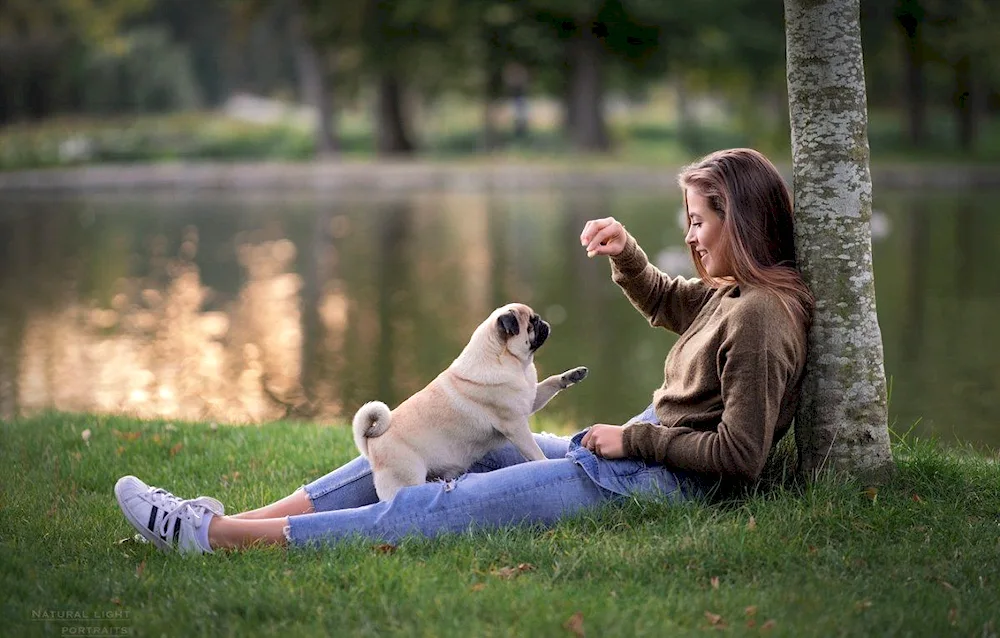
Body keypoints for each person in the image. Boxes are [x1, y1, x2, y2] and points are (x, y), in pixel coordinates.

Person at [114, 148, 814, 554]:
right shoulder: (729, 297)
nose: (691, 239)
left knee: (447, 503)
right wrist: (628, 254)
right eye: (685, 224)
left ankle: (215, 538)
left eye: (698, 223)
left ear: (742, 221)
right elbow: (669, 302)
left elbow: (741, 458)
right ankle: (239, 515)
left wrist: (635, 442)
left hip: (652, 478)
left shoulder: (758, 317)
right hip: (628, 461)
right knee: (408, 441)